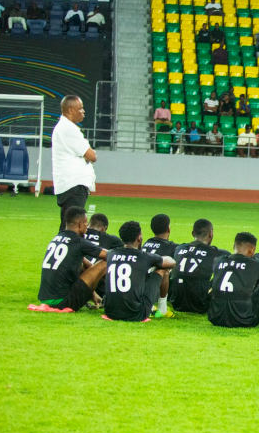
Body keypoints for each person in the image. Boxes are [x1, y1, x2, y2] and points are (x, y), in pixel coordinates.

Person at [207, 232, 259, 328]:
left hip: (216, 317)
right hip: (244, 320)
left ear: (233, 246)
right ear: (253, 250)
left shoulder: (218, 260)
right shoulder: (255, 264)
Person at [102, 221, 176, 322]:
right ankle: (163, 308)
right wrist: (155, 261)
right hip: (136, 314)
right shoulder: (144, 256)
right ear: (139, 238)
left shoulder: (110, 253)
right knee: (162, 269)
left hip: (110, 312)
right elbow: (172, 262)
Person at [38, 207, 108, 311]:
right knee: (104, 263)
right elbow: (109, 255)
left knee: (83, 263)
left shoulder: (56, 238)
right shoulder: (78, 241)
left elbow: (81, 266)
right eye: (86, 224)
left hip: (45, 299)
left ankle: (96, 296)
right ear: (80, 224)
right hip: (63, 302)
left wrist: (92, 293)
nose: (87, 227)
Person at [52, 96, 97, 231]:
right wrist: (88, 155)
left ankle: (62, 250)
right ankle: (63, 250)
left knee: (69, 226)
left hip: (71, 185)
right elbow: (92, 156)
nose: (83, 111)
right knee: (71, 228)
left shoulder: (66, 128)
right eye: (80, 108)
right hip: (74, 186)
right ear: (70, 110)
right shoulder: (68, 130)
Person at [169, 219, 230, 314]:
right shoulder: (218, 253)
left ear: (193, 233)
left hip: (176, 302)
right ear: (211, 234)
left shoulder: (179, 248)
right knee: (226, 272)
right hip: (201, 305)